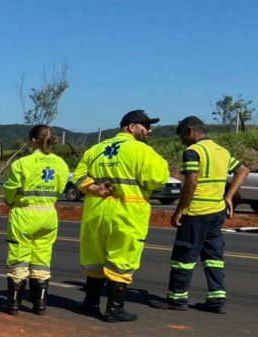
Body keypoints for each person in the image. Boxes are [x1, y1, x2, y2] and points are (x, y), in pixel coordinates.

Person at [72, 110, 169, 322]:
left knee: (95, 259)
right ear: (131, 126)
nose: (149, 131)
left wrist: (95, 188)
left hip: (96, 213)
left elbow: (78, 177)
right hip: (127, 213)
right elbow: (158, 179)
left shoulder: (95, 149)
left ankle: (90, 303)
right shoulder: (142, 151)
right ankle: (115, 309)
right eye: (145, 126)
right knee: (121, 260)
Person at [150, 116, 249, 314]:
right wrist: (228, 197)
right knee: (213, 257)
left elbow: (191, 182)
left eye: (182, 138)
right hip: (216, 212)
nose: (183, 142)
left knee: (184, 256)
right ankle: (217, 300)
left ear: (189, 131)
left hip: (196, 213)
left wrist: (180, 210)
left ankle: (177, 299)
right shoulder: (221, 151)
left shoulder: (193, 151)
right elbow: (243, 170)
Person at [3, 125, 69, 315]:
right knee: (42, 258)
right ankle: (40, 304)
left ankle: (14, 304)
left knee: (19, 257)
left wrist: (10, 201)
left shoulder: (22, 164)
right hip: (48, 214)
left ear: (32, 140)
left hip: (24, 213)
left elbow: (10, 190)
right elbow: (60, 188)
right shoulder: (60, 164)